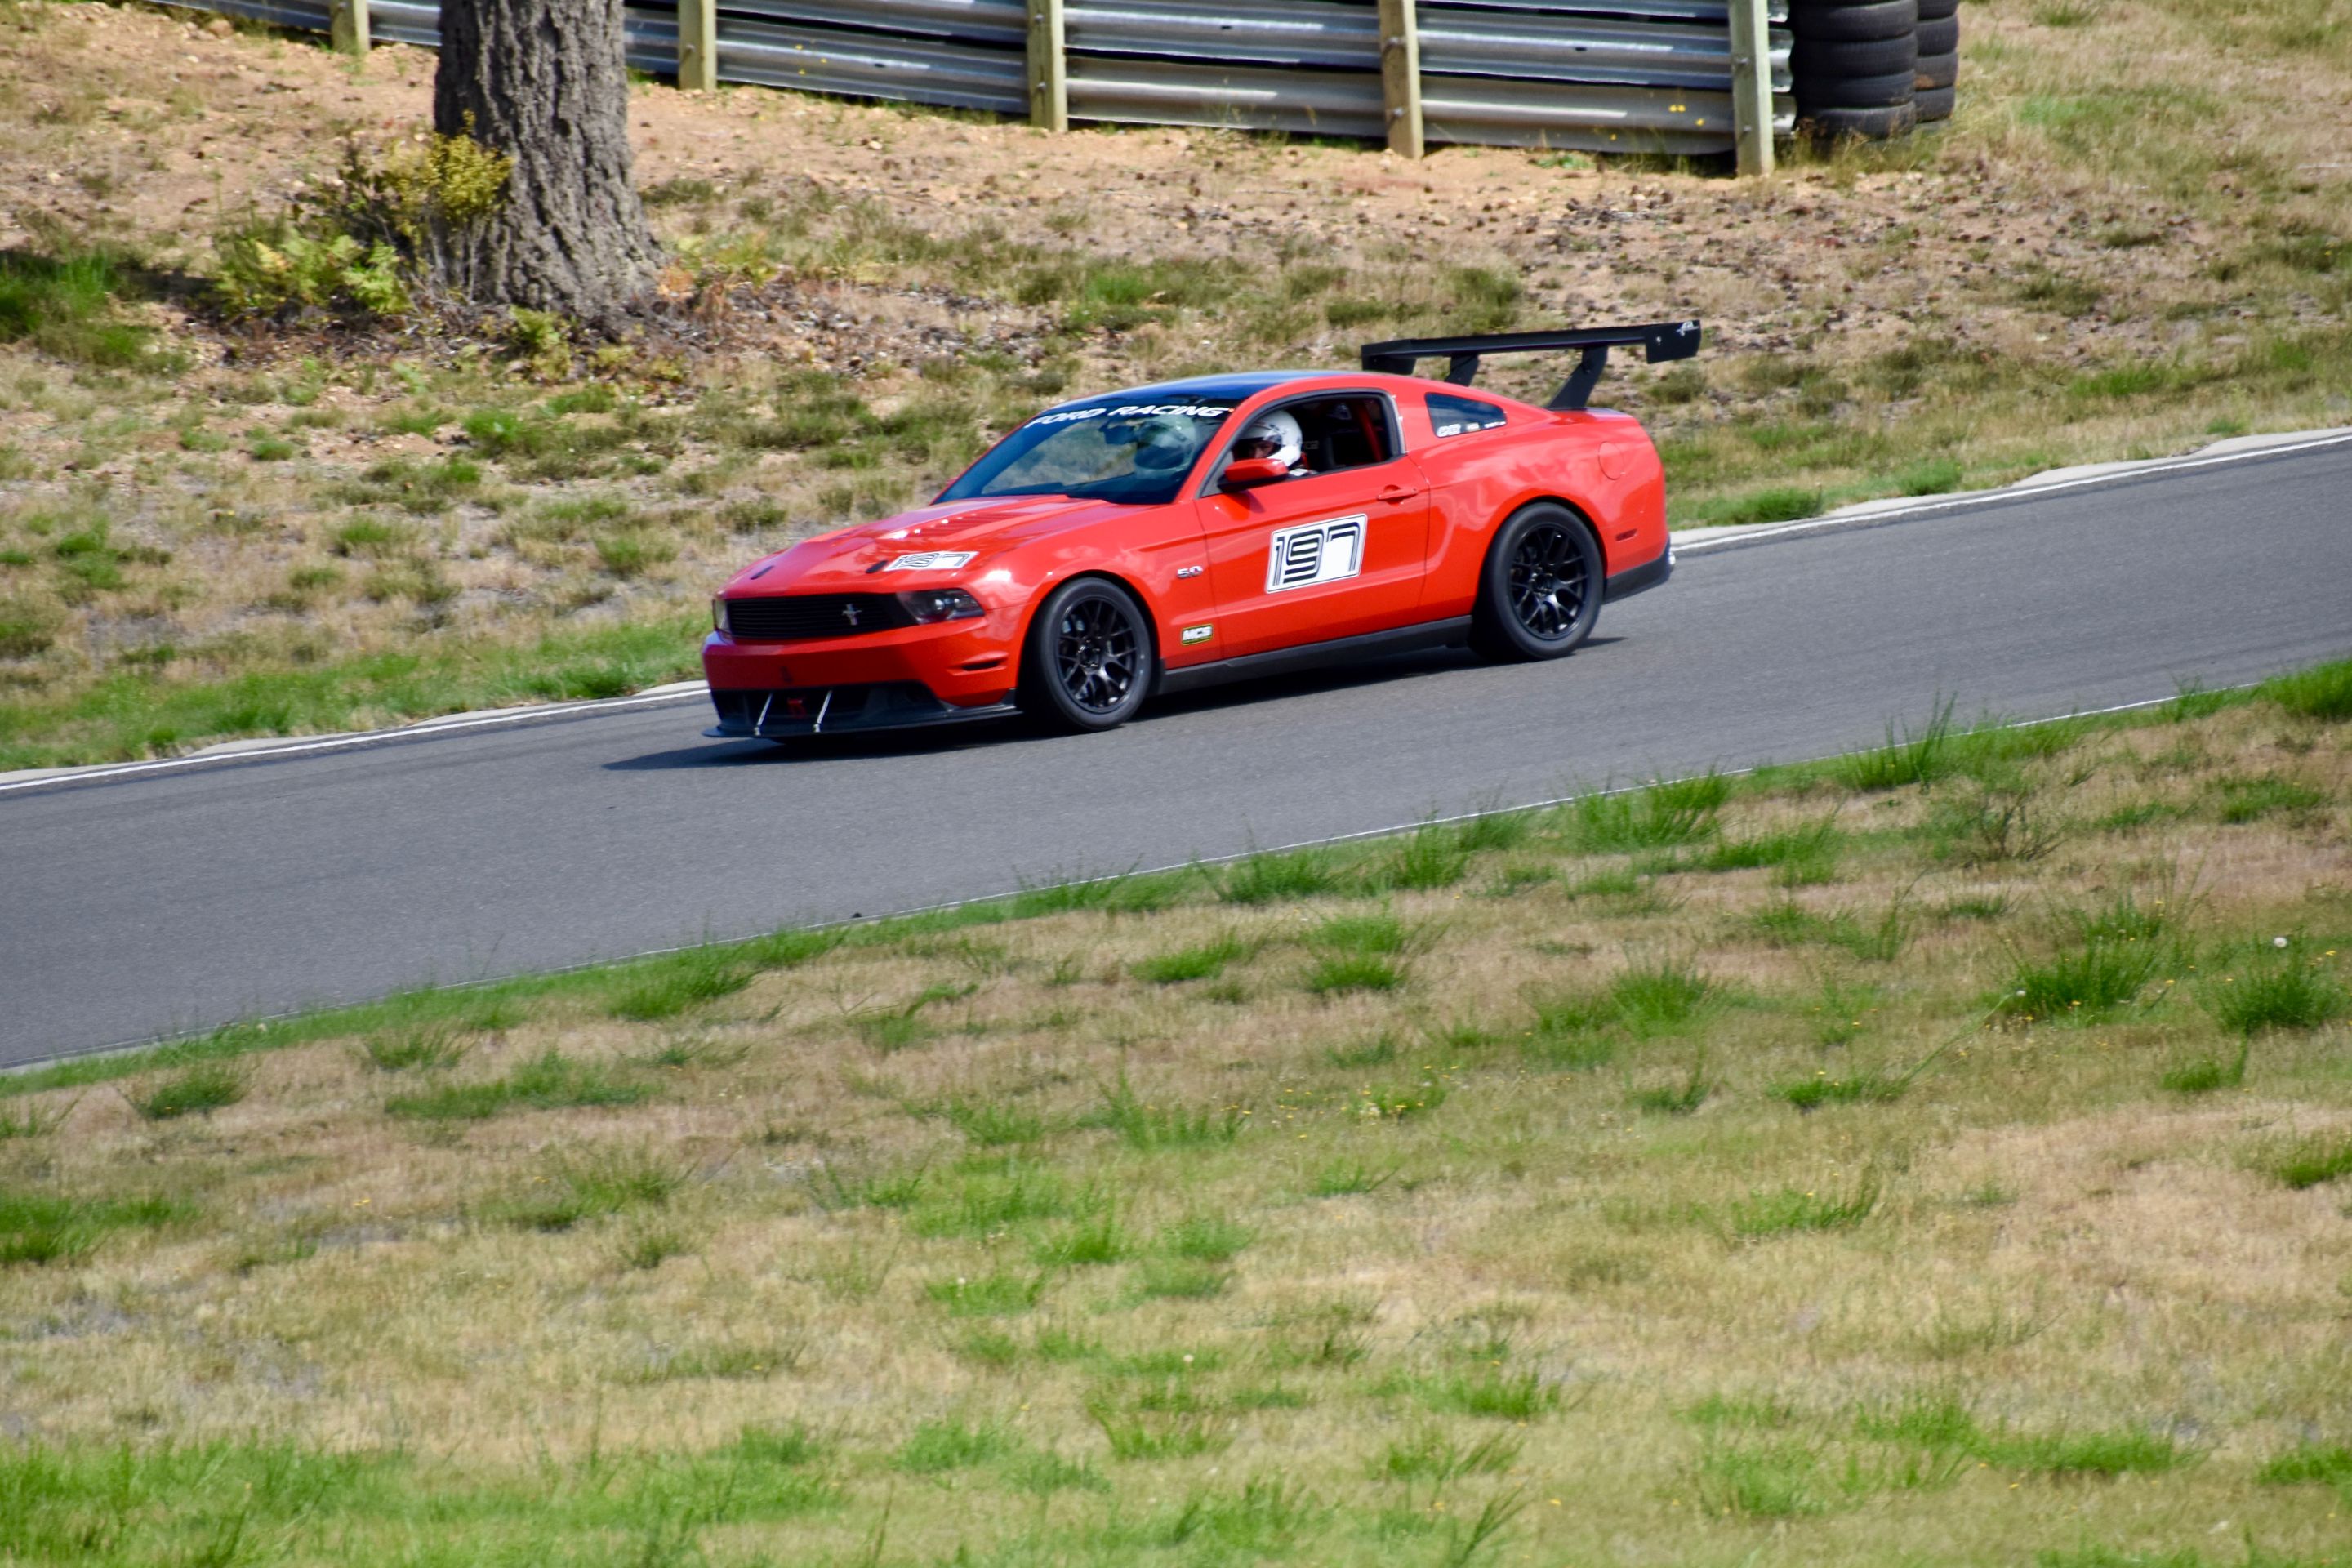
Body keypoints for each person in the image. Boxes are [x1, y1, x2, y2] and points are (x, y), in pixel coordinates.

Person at [1232, 408, 1306, 476]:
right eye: (1251, 448)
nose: (1256, 456)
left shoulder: (1304, 482)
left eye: (1264, 447)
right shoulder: (1243, 478)